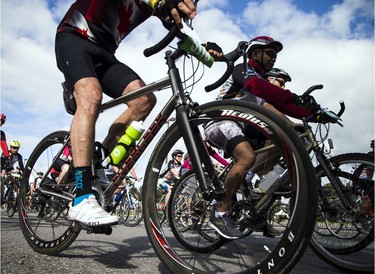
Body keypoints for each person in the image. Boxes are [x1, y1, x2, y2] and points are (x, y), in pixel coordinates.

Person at [55, 0, 223, 227]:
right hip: (74, 37)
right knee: (91, 95)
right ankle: (82, 196)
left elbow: (175, 22)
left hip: (104, 52)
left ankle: (99, 157)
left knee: (144, 100)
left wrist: (203, 46)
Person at [205, 36, 317, 239]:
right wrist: (294, 98)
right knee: (247, 157)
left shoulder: (262, 80)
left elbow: (272, 105)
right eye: (271, 54)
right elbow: (256, 88)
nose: (274, 58)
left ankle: (256, 191)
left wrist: (307, 114)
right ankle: (219, 212)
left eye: (276, 55)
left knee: (281, 140)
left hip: (242, 125)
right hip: (220, 121)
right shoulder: (243, 69)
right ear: (255, 53)